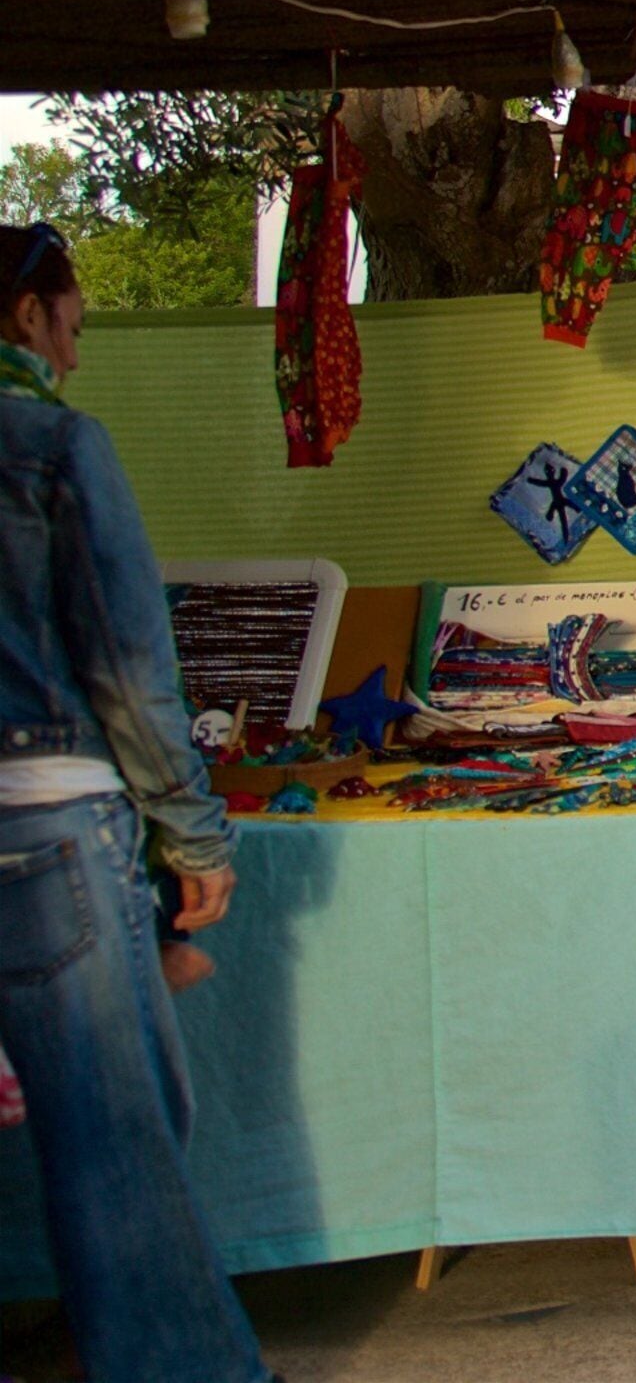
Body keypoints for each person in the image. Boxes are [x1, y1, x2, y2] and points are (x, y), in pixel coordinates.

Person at [0, 225, 273, 1383]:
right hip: (47, 823)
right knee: (113, 1140)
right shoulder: (52, 445)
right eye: (72, 320)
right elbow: (124, 662)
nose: (79, 344)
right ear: (27, 317)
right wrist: (191, 834)